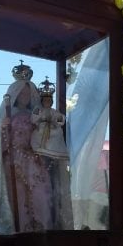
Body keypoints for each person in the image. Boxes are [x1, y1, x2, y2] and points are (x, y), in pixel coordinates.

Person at [0, 61, 53, 234]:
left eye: (29, 92)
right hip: (16, 163)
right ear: (15, 94)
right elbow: (1, 141)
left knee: (40, 199)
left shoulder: (36, 115)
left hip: (36, 163)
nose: (26, 96)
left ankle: (42, 236)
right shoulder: (9, 116)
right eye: (22, 92)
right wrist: (2, 128)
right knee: (18, 198)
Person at [31, 79, 73, 229]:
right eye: (46, 100)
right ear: (42, 101)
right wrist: (42, 119)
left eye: (50, 100)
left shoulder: (54, 111)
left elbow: (62, 118)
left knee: (56, 136)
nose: (48, 102)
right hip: (42, 137)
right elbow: (33, 118)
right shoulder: (39, 110)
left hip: (53, 138)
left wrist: (57, 120)